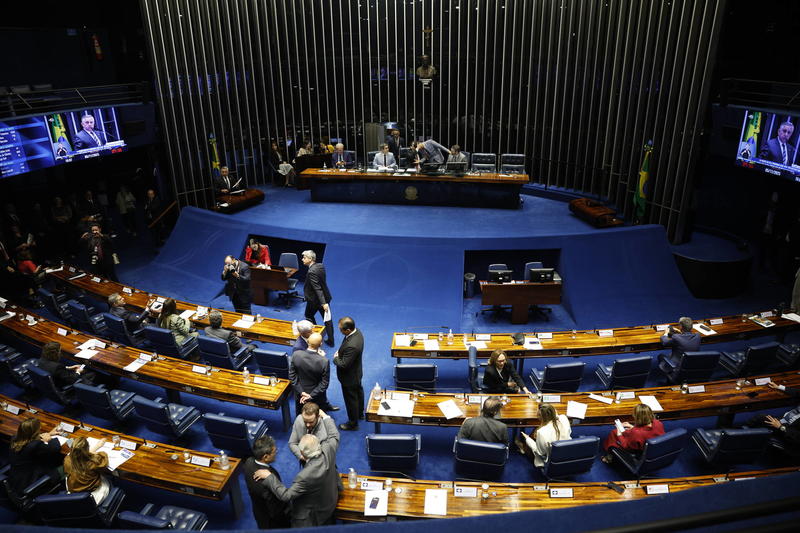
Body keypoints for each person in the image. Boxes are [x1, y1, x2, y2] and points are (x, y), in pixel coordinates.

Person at [253, 411, 341, 527]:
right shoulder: (328, 449)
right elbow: (334, 435)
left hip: (315, 513)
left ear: (303, 454)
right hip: (330, 500)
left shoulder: (305, 476)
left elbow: (286, 495)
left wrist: (270, 477)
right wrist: (325, 416)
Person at [241, 435, 291, 529]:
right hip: (272, 522)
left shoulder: (248, 462)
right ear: (266, 457)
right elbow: (276, 510)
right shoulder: (268, 479)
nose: (276, 452)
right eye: (274, 451)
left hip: (259, 512)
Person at [9, 418, 64, 496]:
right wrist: (50, 439)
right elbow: (55, 448)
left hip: (17, 478)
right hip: (31, 481)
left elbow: (30, 439)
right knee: (66, 465)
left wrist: (49, 433)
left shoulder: (14, 438)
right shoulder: (35, 446)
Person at [743, 381, 800, 454]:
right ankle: (745, 432)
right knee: (760, 419)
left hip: (786, 430)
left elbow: (798, 437)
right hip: (782, 420)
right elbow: (797, 392)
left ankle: (741, 437)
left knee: (760, 417)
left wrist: (781, 427)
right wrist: (778, 387)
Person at [290, 332, 338, 414]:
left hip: (300, 394)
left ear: (307, 342)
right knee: (317, 416)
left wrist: (301, 392)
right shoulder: (324, 361)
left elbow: (292, 376)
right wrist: (310, 395)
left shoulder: (296, 355)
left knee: (301, 414)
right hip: (316, 396)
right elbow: (324, 383)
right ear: (321, 344)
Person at [601, 404, 665, 463]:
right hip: (654, 448)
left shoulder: (637, 432)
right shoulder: (657, 423)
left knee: (614, 433)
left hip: (638, 451)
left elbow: (626, 445)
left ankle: (609, 457)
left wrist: (619, 433)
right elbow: (647, 431)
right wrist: (632, 426)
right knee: (622, 431)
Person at [333, 316, 364, 430]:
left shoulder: (352, 345)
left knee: (350, 400)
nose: (339, 331)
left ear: (348, 330)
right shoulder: (357, 332)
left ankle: (353, 423)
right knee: (358, 392)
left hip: (349, 377)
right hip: (356, 372)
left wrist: (336, 358)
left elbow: (343, 364)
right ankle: (360, 414)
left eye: (341, 329)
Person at [64, 436, 111, 504]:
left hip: (74, 491)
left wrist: (93, 449)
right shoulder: (94, 461)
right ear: (87, 448)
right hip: (92, 495)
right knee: (106, 479)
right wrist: (97, 449)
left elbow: (80, 456)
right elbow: (104, 456)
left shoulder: (67, 459)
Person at [302, 250, 334, 347]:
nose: (302, 259)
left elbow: (317, 288)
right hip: (326, 297)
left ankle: (315, 336)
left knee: (308, 315)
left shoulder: (311, 271)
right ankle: (331, 340)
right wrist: (324, 302)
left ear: (310, 259)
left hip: (315, 301)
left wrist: (323, 303)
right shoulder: (320, 266)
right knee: (327, 320)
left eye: (304, 257)